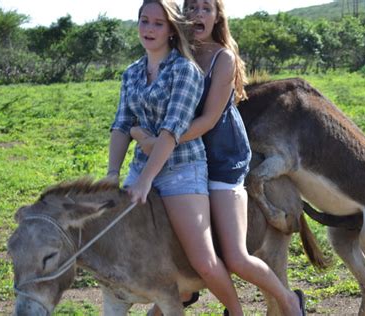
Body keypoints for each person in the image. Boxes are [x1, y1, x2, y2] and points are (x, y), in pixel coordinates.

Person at [131, 0, 305, 315]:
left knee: (236, 257)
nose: (198, 14)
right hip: (184, 157)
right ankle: (179, 297)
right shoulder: (173, 54)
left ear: (217, 17)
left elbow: (209, 120)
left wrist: (160, 143)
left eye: (206, 8)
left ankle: (290, 302)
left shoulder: (222, 58)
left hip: (221, 157)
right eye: (192, 7)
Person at [107, 0, 243, 314]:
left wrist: (144, 181)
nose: (149, 29)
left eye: (158, 23)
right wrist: (113, 173)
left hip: (181, 170)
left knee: (204, 262)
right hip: (142, 167)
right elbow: (122, 124)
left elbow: (172, 130)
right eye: (144, 21)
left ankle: (236, 311)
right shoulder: (132, 73)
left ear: (171, 30)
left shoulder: (185, 70)